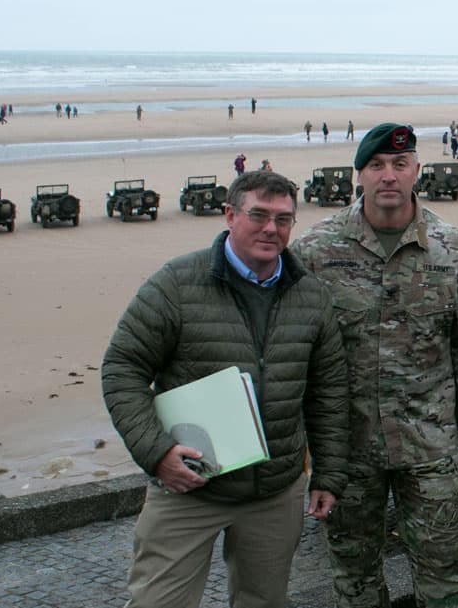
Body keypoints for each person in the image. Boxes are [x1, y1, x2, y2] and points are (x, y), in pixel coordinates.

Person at [101, 170, 351, 608]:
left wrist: (328, 473)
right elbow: (122, 368)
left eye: (283, 219)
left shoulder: (312, 296)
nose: (271, 229)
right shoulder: (176, 284)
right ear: (230, 214)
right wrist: (156, 452)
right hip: (188, 487)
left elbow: (327, 393)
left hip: (275, 492)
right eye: (258, 215)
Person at [290, 123, 458, 608]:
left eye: (399, 165)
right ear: (358, 175)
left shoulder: (452, 251)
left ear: (416, 173)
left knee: (448, 575)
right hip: (347, 448)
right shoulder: (316, 252)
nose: (389, 175)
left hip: (432, 444)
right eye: (377, 166)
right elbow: (295, 348)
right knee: (355, 578)